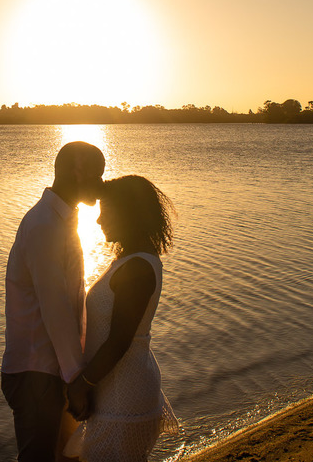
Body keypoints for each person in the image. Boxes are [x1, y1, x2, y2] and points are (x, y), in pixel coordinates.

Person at [2, 141, 106, 462]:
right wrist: (79, 380)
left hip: (54, 371)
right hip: (37, 375)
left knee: (71, 457)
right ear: (77, 172)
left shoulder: (61, 221)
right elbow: (55, 309)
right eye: (97, 175)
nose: (102, 185)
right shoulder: (44, 226)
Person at [64, 175, 179, 462]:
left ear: (129, 213)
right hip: (118, 392)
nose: (100, 220)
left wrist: (82, 385)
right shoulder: (132, 261)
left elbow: (119, 340)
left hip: (123, 399)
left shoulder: (138, 267)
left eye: (107, 211)